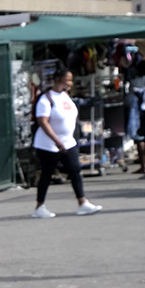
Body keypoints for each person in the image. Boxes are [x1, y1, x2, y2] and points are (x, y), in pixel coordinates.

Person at [31, 70, 102, 218]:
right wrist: (56, 140)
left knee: (75, 170)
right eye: (67, 80)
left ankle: (82, 203)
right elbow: (43, 122)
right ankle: (39, 207)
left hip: (68, 142)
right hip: (48, 144)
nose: (70, 83)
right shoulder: (46, 99)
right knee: (47, 174)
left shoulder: (65, 96)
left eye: (70, 80)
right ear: (58, 79)